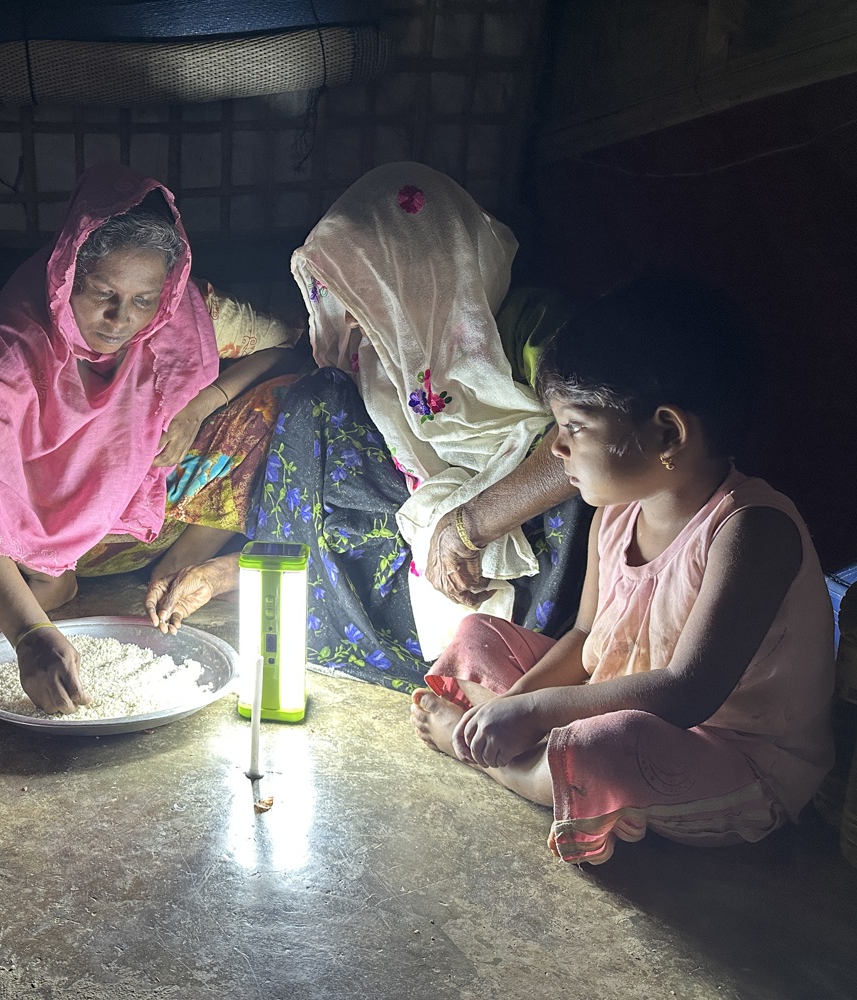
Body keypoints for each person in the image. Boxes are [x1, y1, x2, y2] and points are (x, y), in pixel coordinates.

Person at [410, 272, 835, 864]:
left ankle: (497, 759)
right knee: (476, 635)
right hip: (615, 698)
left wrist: (530, 713)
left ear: (667, 433)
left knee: (607, 746)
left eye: (574, 427)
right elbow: (586, 638)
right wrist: (516, 707)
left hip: (736, 759)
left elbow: (686, 694)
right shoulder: (614, 515)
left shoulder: (751, 530)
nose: (557, 449)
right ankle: (510, 743)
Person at [0, 161, 300, 713]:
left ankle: (173, 570)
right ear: (67, 276)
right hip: (27, 520)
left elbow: (289, 345)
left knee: (278, 401)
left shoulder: (186, 314)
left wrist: (199, 407)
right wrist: (28, 633)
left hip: (133, 522)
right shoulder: (15, 338)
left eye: (143, 300)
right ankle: (47, 580)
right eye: (101, 293)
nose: (120, 319)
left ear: (165, 292)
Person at [247, 162, 590, 694]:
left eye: (373, 289)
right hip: (416, 519)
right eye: (347, 295)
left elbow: (590, 435)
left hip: (519, 518)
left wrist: (469, 524)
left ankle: (513, 656)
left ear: (425, 270)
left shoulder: (530, 323)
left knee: (584, 479)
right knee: (313, 402)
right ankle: (347, 632)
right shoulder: (372, 351)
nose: (355, 316)